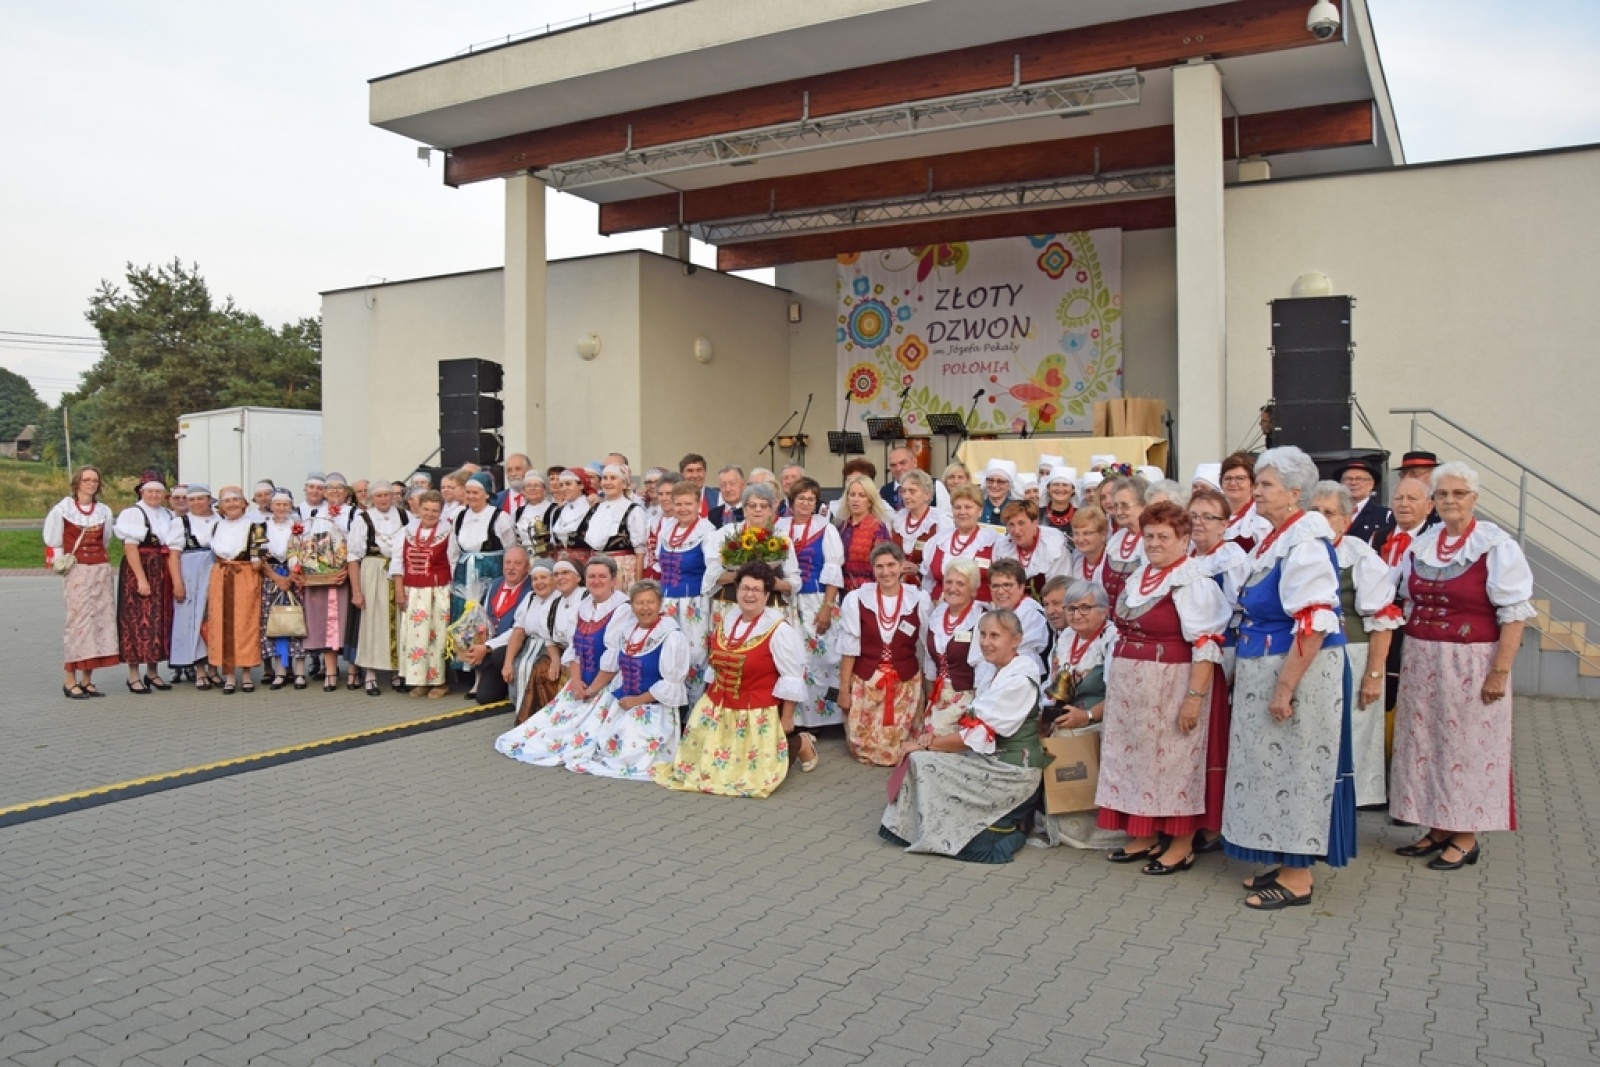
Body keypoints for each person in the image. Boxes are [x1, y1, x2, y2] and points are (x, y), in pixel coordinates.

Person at [1224, 447, 1355, 910]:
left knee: (1298, 769)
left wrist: (1285, 687)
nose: (1256, 491)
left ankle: (1298, 877)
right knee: (1271, 769)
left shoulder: (1305, 541)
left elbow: (1315, 619)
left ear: (1295, 493)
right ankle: (1283, 859)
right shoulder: (1280, 536)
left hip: (1299, 674)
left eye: (1266, 485)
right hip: (1269, 666)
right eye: (1256, 484)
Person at [1390, 462, 1534, 872]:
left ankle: (1466, 836)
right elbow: (1405, 596)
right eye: (1442, 494)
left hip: (1471, 661)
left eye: (1459, 494)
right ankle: (1438, 827)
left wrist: (1500, 672)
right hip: (1422, 659)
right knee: (1426, 744)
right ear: (1432, 501)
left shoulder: (1495, 545)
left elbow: (1514, 613)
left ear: (1475, 498)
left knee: (1467, 749)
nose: (1450, 501)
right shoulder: (1423, 543)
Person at [1095, 501, 1232, 874]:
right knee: (1138, 759)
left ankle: (1181, 842)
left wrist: (1194, 699)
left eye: (1164, 537)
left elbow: (1206, 645)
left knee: (1174, 763)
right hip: (1134, 688)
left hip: (1173, 683)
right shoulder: (1140, 577)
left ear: (1184, 539)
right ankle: (1145, 833)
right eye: (1149, 536)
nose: (1154, 543)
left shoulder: (1192, 581)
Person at [879, 609, 1046, 863]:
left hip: (1013, 772)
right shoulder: (996, 671)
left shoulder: (1018, 680)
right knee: (921, 761)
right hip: (994, 760)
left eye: (995, 636)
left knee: (925, 762)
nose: (986, 642)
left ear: (1016, 640)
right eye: (983, 634)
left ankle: (1004, 827)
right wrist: (928, 745)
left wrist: (928, 745)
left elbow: (972, 737)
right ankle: (926, 827)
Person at [654, 561, 810, 797]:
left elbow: (792, 676)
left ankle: (798, 744)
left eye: (756, 590)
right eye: (745, 588)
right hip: (718, 704)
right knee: (699, 769)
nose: (749, 594)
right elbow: (715, 666)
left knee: (751, 776)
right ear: (736, 591)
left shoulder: (778, 629)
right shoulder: (727, 620)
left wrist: (787, 717)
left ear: (766, 594)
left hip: (756, 710)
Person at [1308, 481, 1401, 808]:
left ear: (1346, 520)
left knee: (1350, 729)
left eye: (1329, 512)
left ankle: (1344, 807)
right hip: (1306, 654)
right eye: (1314, 511)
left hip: (1352, 655)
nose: (1320, 518)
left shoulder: (1360, 556)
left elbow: (1382, 621)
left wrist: (1374, 675)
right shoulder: (1297, 551)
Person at [495, 556, 635, 765]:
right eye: (592, 576)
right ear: (585, 580)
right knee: (548, 729)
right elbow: (575, 649)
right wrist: (576, 683)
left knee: (581, 734)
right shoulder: (585, 605)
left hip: (608, 684)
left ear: (613, 581)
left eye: (602, 577)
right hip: (582, 682)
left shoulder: (622, 608)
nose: (596, 581)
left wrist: (591, 689)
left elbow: (614, 659)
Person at [567, 580, 691, 779]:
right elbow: (619, 671)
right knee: (589, 733)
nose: (645, 608)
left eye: (650, 602)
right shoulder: (628, 631)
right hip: (625, 701)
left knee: (629, 747)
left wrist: (636, 701)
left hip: (653, 706)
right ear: (632, 606)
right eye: (639, 603)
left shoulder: (671, 637)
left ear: (660, 604)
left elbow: (671, 684)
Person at [1035, 579, 1126, 850]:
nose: (1077, 615)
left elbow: (1120, 695)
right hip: (1069, 714)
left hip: (1102, 717)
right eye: (1072, 608)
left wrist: (1086, 717)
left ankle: (1083, 826)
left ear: (1104, 610)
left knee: (1067, 735)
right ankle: (1047, 816)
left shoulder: (1112, 640)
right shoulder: (1066, 638)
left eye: (1085, 608)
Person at [837, 542, 930, 766]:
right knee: (864, 750)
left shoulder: (918, 599)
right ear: (873, 569)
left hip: (905, 684)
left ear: (901, 566)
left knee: (898, 749)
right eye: (879, 566)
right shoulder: (857, 599)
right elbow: (849, 650)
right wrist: (844, 690)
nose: (886, 572)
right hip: (868, 681)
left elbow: (927, 647)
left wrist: (929, 693)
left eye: (891, 565)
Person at [44, 466, 118, 699]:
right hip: (77, 569)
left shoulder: (104, 511)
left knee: (99, 621)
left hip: (100, 570)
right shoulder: (63, 509)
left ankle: (87, 679)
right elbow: (54, 541)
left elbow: (105, 541)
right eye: (86, 480)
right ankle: (69, 679)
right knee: (78, 623)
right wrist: (61, 566)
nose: (91, 484)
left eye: (95, 480)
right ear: (77, 483)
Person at [778, 477, 843, 736]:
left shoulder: (826, 529)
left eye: (811, 499)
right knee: (794, 658)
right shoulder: (780, 527)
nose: (805, 503)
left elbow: (833, 570)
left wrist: (827, 606)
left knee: (824, 657)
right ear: (791, 502)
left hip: (817, 598)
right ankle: (799, 719)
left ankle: (829, 720)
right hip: (788, 601)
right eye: (801, 498)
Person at [390, 489, 459, 698]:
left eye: (434, 511)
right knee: (414, 638)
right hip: (412, 591)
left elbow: (453, 563)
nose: (430, 514)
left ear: (440, 512)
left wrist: (449, 591)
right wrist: (399, 592)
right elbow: (398, 563)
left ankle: (440, 682)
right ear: (419, 508)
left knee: (436, 636)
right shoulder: (406, 531)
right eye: (426, 509)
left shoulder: (448, 532)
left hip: (437, 591)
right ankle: (420, 681)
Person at [653, 481, 716, 702]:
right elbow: (660, 566)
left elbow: (713, 568)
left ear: (698, 504)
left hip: (694, 603)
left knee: (695, 655)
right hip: (668, 601)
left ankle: (694, 708)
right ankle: (672, 705)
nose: (683, 508)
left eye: (688, 504)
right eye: (678, 504)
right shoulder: (667, 529)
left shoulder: (706, 531)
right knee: (669, 653)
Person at [115, 470, 175, 693]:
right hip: (140, 568)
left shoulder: (167, 514)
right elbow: (130, 547)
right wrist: (141, 578)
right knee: (136, 620)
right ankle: (133, 675)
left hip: (161, 568)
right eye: (149, 491)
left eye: (158, 491)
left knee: (158, 620)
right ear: (142, 492)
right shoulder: (134, 513)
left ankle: (153, 672)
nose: (154, 495)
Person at [347, 481, 409, 695]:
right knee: (372, 620)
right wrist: (356, 590)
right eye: (379, 496)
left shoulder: (403, 516)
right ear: (372, 498)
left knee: (400, 621)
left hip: (399, 570)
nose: (384, 499)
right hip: (373, 571)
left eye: (387, 495)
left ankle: (397, 672)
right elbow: (353, 557)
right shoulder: (363, 519)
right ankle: (371, 673)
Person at [506, 560, 582, 724]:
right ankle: (533, 719)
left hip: (581, 654)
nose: (561, 578)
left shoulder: (584, 597)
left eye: (565, 573)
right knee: (531, 666)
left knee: (542, 670)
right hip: (557, 650)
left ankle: (554, 719)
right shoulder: (555, 602)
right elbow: (548, 635)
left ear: (578, 577)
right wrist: (555, 658)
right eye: (557, 574)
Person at [458, 544, 534, 704]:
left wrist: (486, 647)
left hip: (515, 646)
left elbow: (519, 630)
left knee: (499, 655)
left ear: (527, 567)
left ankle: (516, 682)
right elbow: (485, 618)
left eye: (517, 564)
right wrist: (473, 640)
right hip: (492, 647)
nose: (511, 568)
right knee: (485, 698)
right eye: (508, 563)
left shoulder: (531, 590)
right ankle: (495, 679)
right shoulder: (495, 584)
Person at [295, 480, 351, 692]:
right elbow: (309, 543)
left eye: (339, 488)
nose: (334, 492)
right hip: (321, 576)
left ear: (345, 492)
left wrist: (344, 567)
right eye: (330, 488)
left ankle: (354, 672)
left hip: (343, 575)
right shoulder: (317, 515)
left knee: (345, 624)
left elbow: (354, 543)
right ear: (325, 493)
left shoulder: (353, 513)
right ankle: (330, 671)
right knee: (325, 623)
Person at [206, 487, 263, 694]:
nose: (231, 505)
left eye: (235, 501)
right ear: (221, 506)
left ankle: (246, 674)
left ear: (244, 504)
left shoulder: (255, 527)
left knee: (246, 623)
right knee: (222, 624)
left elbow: (258, 557)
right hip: (221, 575)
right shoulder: (216, 527)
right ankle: (229, 674)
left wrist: (256, 560)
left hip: (244, 573)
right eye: (227, 502)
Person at [921, 557, 984, 736]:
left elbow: (983, 668)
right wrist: (930, 698)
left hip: (966, 696)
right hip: (938, 696)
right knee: (924, 734)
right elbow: (930, 664)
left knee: (932, 737)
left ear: (973, 590)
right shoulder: (937, 614)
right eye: (948, 582)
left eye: (960, 584)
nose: (952, 588)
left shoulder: (980, 618)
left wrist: (977, 708)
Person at [166, 484, 221, 687]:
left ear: (209, 500)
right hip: (190, 573)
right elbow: (174, 556)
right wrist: (177, 582)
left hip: (216, 571)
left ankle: (214, 668)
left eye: (201, 499)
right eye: (193, 500)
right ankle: (199, 669)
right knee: (193, 620)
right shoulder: (181, 523)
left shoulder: (220, 521)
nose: (197, 503)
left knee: (214, 619)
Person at [452, 471, 516, 634]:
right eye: (468, 492)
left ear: (486, 494)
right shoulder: (460, 516)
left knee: (487, 610)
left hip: (490, 572)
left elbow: (511, 548)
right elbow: (452, 549)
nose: (471, 496)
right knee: (463, 613)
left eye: (475, 492)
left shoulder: (500, 517)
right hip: (464, 571)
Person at [256, 489, 307, 690]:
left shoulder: (299, 527)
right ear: (271, 505)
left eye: (285, 504)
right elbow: (256, 556)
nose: (281, 508)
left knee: (296, 621)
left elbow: (305, 552)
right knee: (275, 622)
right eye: (277, 504)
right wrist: (276, 577)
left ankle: (300, 671)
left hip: (294, 576)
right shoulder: (260, 528)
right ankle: (280, 671)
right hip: (271, 577)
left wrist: (292, 575)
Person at [921, 485, 999, 602]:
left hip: (980, 612)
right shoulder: (937, 541)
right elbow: (928, 582)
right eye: (957, 507)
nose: (962, 512)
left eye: (968, 507)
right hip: (939, 609)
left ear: (980, 511)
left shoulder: (992, 542)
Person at [584, 464, 648, 587]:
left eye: (613, 478)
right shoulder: (597, 508)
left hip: (621, 572)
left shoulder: (633, 510)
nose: (608, 482)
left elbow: (640, 552)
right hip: (598, 570)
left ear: (624, 484)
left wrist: (639, 585)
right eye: (605, 478)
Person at [993, 500, 1070, 598]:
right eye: (1011, 524)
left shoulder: (1053, 548)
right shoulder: (1002, 547)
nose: (1016, 531)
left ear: (1035, 523)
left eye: (1021, 523)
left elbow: (1060, 589)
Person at [984, 559, 1049, 673]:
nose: (1000, 591)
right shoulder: (997, 612)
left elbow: (1013, 652)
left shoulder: (1031, 613)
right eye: (995, 586)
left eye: (1007, 585)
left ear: (1021, 587)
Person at [835, 473, 893, 593]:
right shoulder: (840, 526)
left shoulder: (877, 528)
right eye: (852, 495)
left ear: (870, 501)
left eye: (862, 495)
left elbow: (883, 563)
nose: (856, 499)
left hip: (868, 591)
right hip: (840, 591)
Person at [891, 469, 947, 589]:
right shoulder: (898, 518)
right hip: (897, 586)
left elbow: (946, 559)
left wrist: (919, 569)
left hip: (928, 588)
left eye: (912, 491)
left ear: (926, 495)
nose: (906, 496)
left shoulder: (939, 521)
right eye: (904, 491)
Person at [1373, 475, 1439, 567]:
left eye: (1412, 498)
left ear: (1429, 506)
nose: (1404, 504)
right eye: (1398, 498)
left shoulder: (1435, 539)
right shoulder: (1377, 538)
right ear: (1391, 504)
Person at [1101, 476, 1148, 605]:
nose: (1119, 511)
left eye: (1125, 506)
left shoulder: (1150, 540)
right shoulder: (1116, 538)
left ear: (1144, 505)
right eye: (1116, 506)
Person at [1220, 451, 1272, 552]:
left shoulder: (1261, 518)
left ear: (1252, 484)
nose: (1232, 483)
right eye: (1227, 478)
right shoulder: (1214, 512)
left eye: (1240, 478)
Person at [549, 468, 597, 566]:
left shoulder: (592, 508)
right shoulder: (557, 511)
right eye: (561, 485)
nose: (564, 488)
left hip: (585, 564)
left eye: (568, 484)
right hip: (560, 564)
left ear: (581, 485)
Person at [1336, 458, 1392, 544]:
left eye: (1359, 479)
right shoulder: (1330, 512)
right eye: (1348, 479)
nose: (1353, 483)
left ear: (1371, 484)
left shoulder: (1385, 515)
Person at [1069, 505, 1110, 589]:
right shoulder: (1075, 560)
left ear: (1103, 535)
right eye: (1076, 533)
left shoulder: (1112, 562)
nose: (1080, 540)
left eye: (1087, 533)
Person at [978, 459, 1016, 525]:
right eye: (990, 480)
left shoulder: (1016, 509)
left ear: (1009, 485)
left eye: (1000, 481)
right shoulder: (977, 507)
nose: (994, 485)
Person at [1040, 467, 1078, 532]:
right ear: (1048, 489)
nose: (1060, 489)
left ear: (1073, 490)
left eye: (1065, 485)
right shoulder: (1037, 515)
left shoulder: (1081, 515)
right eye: (1056, 484)